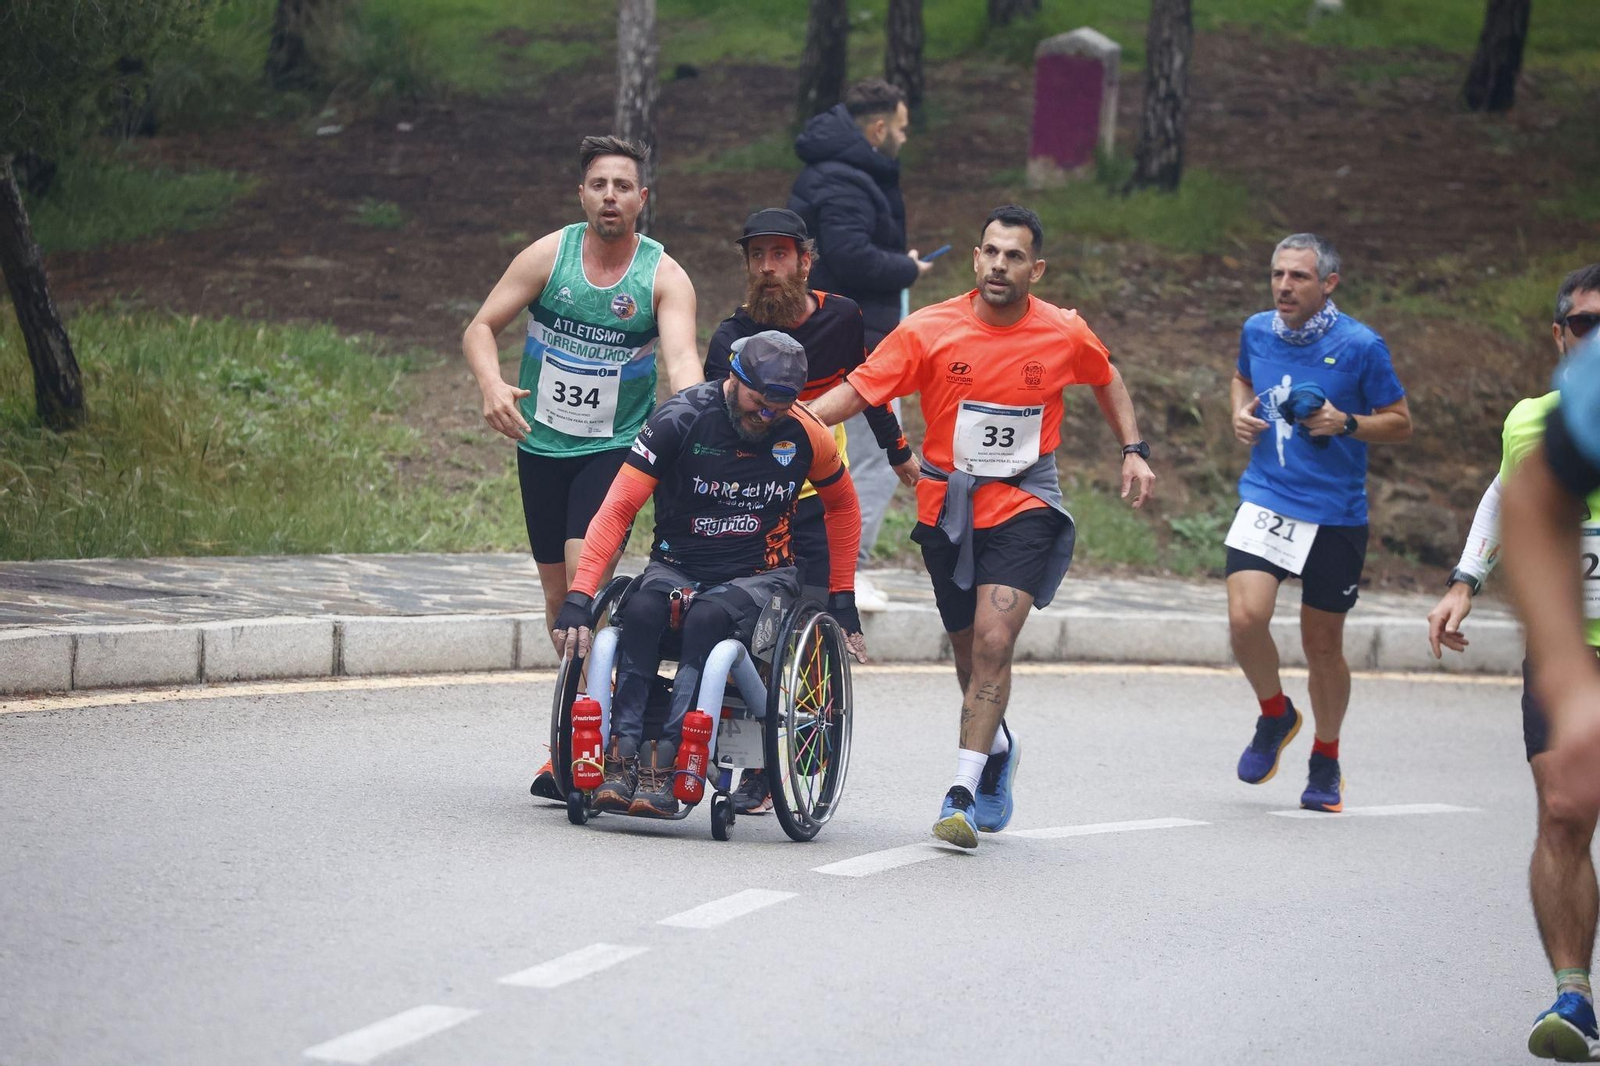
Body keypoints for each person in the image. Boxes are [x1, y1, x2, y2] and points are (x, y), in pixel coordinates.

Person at [808, 204, 1156, 849]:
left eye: (1015, 255)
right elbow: (860, 389)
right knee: (970, 658)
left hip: (1025, 502)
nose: (1000, 265)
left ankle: (961, 793)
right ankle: (998, 747)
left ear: (1036, 267)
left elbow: (1107, 378)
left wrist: (1133, 449)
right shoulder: (929, 329)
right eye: (991, 252)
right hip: (947, 507)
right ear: (975, 259)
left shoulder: (1062, 332)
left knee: (995, 643)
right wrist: (793, 423)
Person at [461, 135, 703, 800]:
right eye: (599, 185)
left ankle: (581, 746)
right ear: (582, 195)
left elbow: (682, 360)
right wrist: (490, 385)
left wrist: (693, 409)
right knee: (557, 604)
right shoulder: (551, 256)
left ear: (642, 200)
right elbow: (481, 327)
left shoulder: (662, 276)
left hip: (612, 449)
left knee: (582, 587)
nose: (610, 197)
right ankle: (589, 724)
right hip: (540, 448)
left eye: (623, 186)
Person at [552, 331, 867, 818]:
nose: (766, 417)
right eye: (759, 403)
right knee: (639, 611)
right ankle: (621, 756)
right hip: (676, 565)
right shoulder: (680, 419)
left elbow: (843, 507)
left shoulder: (806, 432)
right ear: (734, 378)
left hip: (759, 576)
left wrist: (842, 599)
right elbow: (617, 509)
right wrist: (579, 593)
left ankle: (674, 761)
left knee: (706, 619)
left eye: (779, 408)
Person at [705, 207, 918, 815]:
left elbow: (869, 386)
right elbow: (716, 423)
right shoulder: (731, 340)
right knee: (747, 634)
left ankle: (799, 761)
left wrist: (900, 454)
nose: (769, 269)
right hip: (752, 507)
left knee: (812, 630)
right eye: (757, 257)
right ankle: (751, 766)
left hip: (822, 504)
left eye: (780, 255)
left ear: (805, 259)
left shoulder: (842, 317)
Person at [1439, 265, 1600, 1062]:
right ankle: (1574, 997)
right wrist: (1465, 582)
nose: (1593, 341)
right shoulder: (1539, 417)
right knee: (1564, 811)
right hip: (1573, 650)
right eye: (1581, 326)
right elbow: (1513, 498)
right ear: (1558, 333)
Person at [1226, 233, 1411, 813]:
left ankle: (1326, 758)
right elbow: (1242, 377)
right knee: (1245, 616)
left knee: (1322, 646)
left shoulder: (1361, 346)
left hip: (1334, 514)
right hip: (1268, 497)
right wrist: (1238, 410)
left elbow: (1400, 422)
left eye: (1299, 276)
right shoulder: (1257, 329)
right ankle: (1275, 712)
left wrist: (1345, 423)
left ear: (1328, 283)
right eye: (1278, 273)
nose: (1284, 286)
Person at [790, 78, 938, 608]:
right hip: (849, 343)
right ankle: (845, 573)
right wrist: (907, 267)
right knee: (878, 454)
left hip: (840, 336)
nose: (904, 136)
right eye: (900, 127)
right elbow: (848, 257)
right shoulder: (847, 178)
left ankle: (816, 565)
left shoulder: (841, 169)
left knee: (836, 450)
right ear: (877, 128)